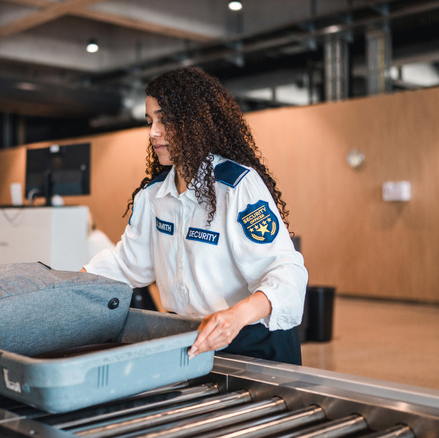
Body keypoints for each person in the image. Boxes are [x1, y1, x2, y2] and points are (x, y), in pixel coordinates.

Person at [82, 67, 308, 365]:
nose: (153, 132)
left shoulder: (237, 186)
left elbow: (286, 271)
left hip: (253, 345)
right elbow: (127, 264)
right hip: (191, 341)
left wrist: (236, 316)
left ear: (195, 122)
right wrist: (72, 284)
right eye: (150, 121)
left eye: (165, 119)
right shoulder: (153, 196)